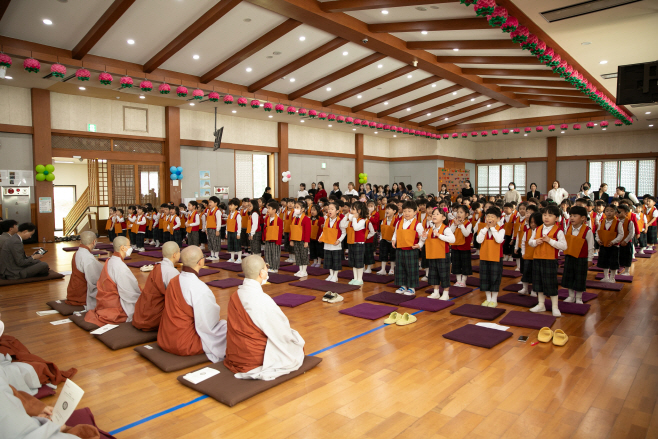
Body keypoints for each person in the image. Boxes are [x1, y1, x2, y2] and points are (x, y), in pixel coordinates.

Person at [224, 255, 305, 380]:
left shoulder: (236, 294)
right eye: (266, 266)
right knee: (296, 347)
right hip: (253, 357)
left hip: (235, 353)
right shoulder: (262, 300)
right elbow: (280, 331)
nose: (267, 269)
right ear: (262, 273)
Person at [158, 246, 227, 362]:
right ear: (201, 262)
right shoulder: (199, 288)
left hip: (165, 337)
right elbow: (209, 323)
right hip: (184, 343)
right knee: (226, 328)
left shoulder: (174, 280)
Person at [84, 236, 141, 326]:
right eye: (129, 246)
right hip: (115, 307)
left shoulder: (111, 260)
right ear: (123, 248)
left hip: (105, 303)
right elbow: (130, 293)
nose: (131, 248)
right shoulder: (120, 267)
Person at [132, 242, 181, 332]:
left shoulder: (158, 266)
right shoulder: (171, 272)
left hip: (143, 313)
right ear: (174, 255)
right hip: (153, 317)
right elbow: (177, 298)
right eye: (179, 252)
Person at [529, 205, 568, 317]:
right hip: (537, 258)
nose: (546, 217)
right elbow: (530, 242)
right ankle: (541, 304)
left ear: (556, 218)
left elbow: (564, 246)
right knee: (538, 282)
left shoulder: (558, 231)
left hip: (550, 260)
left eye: (550, 215)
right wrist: (536, 242)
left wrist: (550, 241)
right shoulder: (537, 229)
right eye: (544, 215)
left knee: (551, 283)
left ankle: (555, 307)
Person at [560, 206, 594, 304]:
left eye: (575, 216)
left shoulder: (587, 230)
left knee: (580, 277)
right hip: (570, 256)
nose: (571, 218)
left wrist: (590, 259)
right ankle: (571, 296)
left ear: (583, 218)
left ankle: (578, 297)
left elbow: (591, 246)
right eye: (571, 216)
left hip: (581, 258)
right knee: (569, 276)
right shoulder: (569, 228)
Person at [391, 200, 426, 296]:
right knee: (400, 268)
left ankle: (411, 287)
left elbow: (423, 237)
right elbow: (395, 233)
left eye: (409, 211)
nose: (406, 213)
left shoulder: (417, 224)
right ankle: (403, 285)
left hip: (411, 250)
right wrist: (393, 240)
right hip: (400, 249)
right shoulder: (399, 222)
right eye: (405, 211)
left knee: (411, 268)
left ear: (415, 212)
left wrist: (419, 245)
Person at [66, 231, 103, 310]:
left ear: (81, 241)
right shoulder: (88, 258)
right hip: (82, 295)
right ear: (94, 241)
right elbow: (96, 280)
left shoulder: (78, 253)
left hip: (73, 291)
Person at [477, 207, 505, 307]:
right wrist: (486, 229)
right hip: (484, 257)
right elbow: (479, 240)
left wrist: (492, 228)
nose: (489, 218)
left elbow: (499, 240)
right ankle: (488, 298)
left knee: (495, 278)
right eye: (488, 216)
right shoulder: (483, 229)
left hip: (496, 257)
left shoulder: (501, 230)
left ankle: (494, 299)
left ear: (498, 219)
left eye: (492, 217)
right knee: (485, 278)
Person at [426, 207, 454, 300]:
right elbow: (426, 239)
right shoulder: (430, 228)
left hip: (443, 255)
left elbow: (452, 239)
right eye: (433, 214)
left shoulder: (446, 229)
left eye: (437, 214)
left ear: (443, 218)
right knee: (434, 274)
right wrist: (423, 237)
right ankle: (436, 292)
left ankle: (446, 293)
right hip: (432, 254)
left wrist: (440, 235)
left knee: (444, 274)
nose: (434, 215)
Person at [318, 201, 346, 287]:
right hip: (327, 244)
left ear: (337, 211)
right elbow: (324, 231)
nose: (329, 210)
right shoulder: (326, 220)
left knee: (336, 261)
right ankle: (331, 274)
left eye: (332, 209)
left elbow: (344, 233)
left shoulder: (340, 221)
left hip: (335, 245)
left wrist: (339, 240)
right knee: (329, 260)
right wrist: (320, 237)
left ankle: (335, 275)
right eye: (329, 209)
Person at [595, 204, 624, 282]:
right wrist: (598, 240)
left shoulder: (618, 223)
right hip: (604, 245)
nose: (609, 213)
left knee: (613, 262)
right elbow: (598, 232)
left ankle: (612, 278)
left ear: (615, 213)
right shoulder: (601, 222)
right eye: (607, 211)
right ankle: (606, 277)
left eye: (611, 211)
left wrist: (613, 242)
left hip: (614, 246)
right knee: (605, 261)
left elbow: (621, 234)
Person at [450, 205, 473, 287]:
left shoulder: (468, 224)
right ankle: (458, 280)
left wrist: (461, 225)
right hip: (455, 246)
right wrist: (455, 225)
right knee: (456, 264)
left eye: (461, 212)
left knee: (465, 264)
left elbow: (466, 234)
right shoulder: (454, 222)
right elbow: (450, 232)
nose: (458, 214)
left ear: (466, 214)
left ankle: (463, 281)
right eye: (458, 212)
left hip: (464, 248)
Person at [519, 208, 540, 296]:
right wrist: (523, 253)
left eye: (535, 222)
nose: (533, 224)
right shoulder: (527, 232)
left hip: (537, 257)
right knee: (526, 272)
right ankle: (525, 288)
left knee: (536, 274)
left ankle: (535, 290)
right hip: (527, 256)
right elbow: (523, 243)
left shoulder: (541, 232)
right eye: (531, 222)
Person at [289, 200, 311, 277]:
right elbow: (291, 229)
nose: (295, 209)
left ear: (303, 209)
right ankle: (300, 269)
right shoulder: (294, 218)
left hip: (302, 240)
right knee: (298, 255)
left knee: (303, 255)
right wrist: (291, 239)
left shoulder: (306, 219)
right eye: (295, 207)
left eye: (297, 207)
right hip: (295, 239)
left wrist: (306, 241)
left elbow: (307, 231)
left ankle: (304, 270)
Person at [377, 203, 398, 275]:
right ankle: (383, 269)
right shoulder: (384, 220)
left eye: (389, 209)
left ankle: (392, 269)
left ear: (394, 211)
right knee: (383, 255)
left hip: (393, 241)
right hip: (384, 240)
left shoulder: (397, 221)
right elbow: (382, 230)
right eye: (386, 209)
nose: (387, 210)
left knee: (392, 256)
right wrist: (381, 239)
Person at [263, 200, 283, 273]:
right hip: (268, 239)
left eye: (269, 208)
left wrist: (279, 241)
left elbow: (280, 232)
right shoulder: (267, 218)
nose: (267, 210)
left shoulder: (279, 220)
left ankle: (275, 267)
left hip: (275, 240)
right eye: (267, 208)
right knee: (267, 254)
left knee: (275, 254)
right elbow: (265, 229)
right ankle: (269, 266)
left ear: (274, 210)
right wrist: (264, 238)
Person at [225, 198, 242, 263]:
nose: (230, 207)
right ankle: (232, 258)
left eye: (231, 205)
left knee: (237, 245)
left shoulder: (237, 215)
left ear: (236, 206)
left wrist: (238, 233)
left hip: (235, 232)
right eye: (229, 205)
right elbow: (227, 224)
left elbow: (239, 225)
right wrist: (226, 232)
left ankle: (239, 258)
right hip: (229, 231)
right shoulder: (229, 215)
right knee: (231, 245)